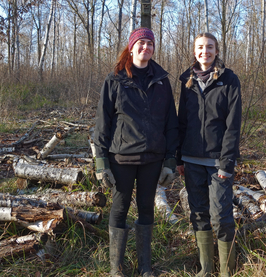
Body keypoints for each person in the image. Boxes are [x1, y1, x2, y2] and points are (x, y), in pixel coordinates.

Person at [93, 27, 179, 277]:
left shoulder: (162, 81)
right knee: (119, 209)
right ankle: (116, 269)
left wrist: (170, 159)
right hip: (121, 157)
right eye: (141, 43)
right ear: (131, 48)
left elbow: (171, 122)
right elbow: (102, 123)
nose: (146, 48)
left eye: (150, 44)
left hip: (153, 158)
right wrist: (101, 162)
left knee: (146, 210)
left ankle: (144, 267)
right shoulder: (115, 80)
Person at [176, 33, 242, 277]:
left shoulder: (229, 80)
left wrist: (227, 163)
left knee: (221, 215)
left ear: (217, 50)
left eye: (210, 47)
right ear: (195, 51)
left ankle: (227, 271)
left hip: (218, 163)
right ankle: (206, 269)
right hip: (191, 160)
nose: (205, 51)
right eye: (200, 47)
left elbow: (233, 125)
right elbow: (182, 121)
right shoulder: (187, 80)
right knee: (199, 213)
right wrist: (180, 157)